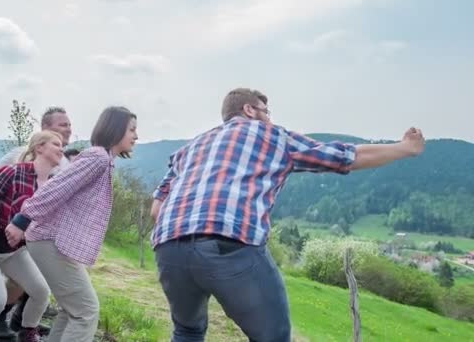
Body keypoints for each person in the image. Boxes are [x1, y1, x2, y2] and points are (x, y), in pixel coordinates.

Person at [149, 88, 426, 342]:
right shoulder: (272, 136)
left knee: (187, 331)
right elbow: (343, 156)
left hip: (168, 246)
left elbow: (156, 209)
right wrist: (404, 148)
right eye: (266, 112)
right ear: (249, 110)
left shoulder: (190, 147)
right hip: (229, 243)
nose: (269, 118)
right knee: (274, 336)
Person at [4, 106, 138, 342]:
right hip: (51, 240)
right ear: (115, 130)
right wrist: (22, 219)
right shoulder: (97, 157)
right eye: (132, 130)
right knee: (86, 311)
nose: (136, 136)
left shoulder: (103, 160)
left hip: (56, 241)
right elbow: (57, 188)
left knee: (71, 310)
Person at [0, 131, 65, 342]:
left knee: (41, 292)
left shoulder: (53, 186)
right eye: (56, 144)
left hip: (14, 252)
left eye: (62, 145)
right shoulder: (13, 173)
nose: (61, 148)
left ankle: (27, 333)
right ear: (40, 148)